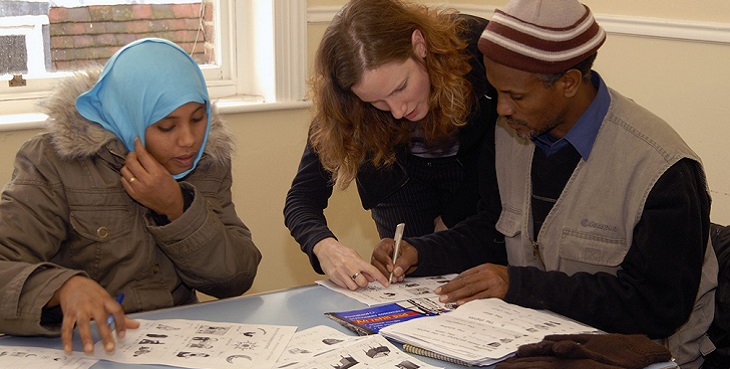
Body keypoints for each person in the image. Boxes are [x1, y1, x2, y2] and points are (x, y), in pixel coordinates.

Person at [372, 0, 717, 367]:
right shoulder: (512, 131)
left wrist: (520, 285)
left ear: (568, 83)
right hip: (533, 344)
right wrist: (420, 252)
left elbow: (658, 307)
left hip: (643, 357)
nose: (501, 109)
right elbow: (494, 228)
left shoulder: (663, 169)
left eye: (516, 96)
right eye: (497, 91)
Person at [0, 38, 262, 355]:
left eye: (197, 118)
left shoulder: (205, 161)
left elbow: (236, 277)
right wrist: (61, 287)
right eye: (167, 126)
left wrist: (178, 209)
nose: (189, 140)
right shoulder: (53, 162)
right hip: (85, 347)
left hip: (177, 343)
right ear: (127, 116)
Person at [284, 0, 503, 290]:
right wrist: (325, 248)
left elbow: (503, 171)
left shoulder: (479, 52)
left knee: (478, 273)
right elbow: (301, 198)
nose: (398, 111)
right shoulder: (346, 105)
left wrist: (448, 224)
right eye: (377, 102)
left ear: (419, 45)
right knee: (408, 279)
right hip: (399, 183)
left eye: (400, 88)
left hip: (477, 178)